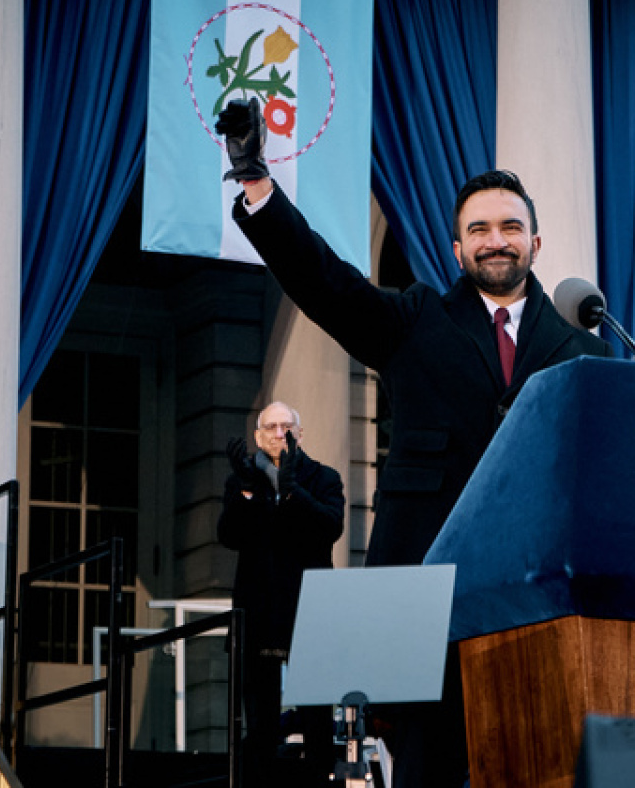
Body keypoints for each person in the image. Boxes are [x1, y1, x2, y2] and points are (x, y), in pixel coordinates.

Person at [219, 103, 610, 788]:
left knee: (539, 760)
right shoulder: (416, 320)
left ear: (536, 245)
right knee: (428, 767)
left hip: (540, 589)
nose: (496, 240)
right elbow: (326, 283)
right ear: (457, 249)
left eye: (511, 227)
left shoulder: (583, 351)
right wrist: (257, 185)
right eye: (479, 229)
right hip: (425, 586)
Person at [218, 403, 347, 783]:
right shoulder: (242, 481)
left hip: (309, 612)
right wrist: (245, 490)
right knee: (259, 727)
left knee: (317, 725)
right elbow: (229, 536)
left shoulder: (323, 477)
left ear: (299, 434)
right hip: (258, 615)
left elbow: (330, 527)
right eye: (270, 427)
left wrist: (292, 492)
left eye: (285, 427)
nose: (278, 433)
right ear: (258, 437)